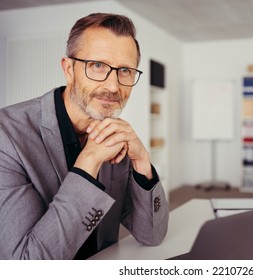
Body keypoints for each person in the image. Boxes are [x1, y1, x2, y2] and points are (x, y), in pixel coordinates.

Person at [0, 13, 169, 259]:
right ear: (69, 69)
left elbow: (152, 235)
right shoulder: (7, 135)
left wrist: (143, 164)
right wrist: (88, 163)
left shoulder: (115, 135)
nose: (113, 86)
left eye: (125, 70)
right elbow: (26, 265)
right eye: (98, 66)